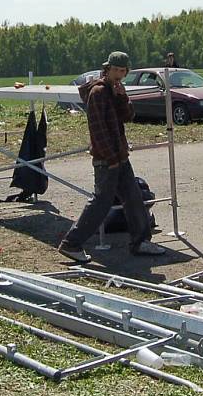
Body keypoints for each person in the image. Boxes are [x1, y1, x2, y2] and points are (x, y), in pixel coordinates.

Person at [57, 51, 167, 263]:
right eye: (116, 70)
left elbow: (128, 116)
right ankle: (71, 243)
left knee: (133, 198)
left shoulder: (113, 91)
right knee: (101, 202)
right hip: (107, 159)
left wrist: (122, 96)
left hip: (120, 156)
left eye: (123, 71)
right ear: (107, 70)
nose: (119, 74)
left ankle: (140, 241)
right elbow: (97, 130)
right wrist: (111, 158)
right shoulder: (98, 92)